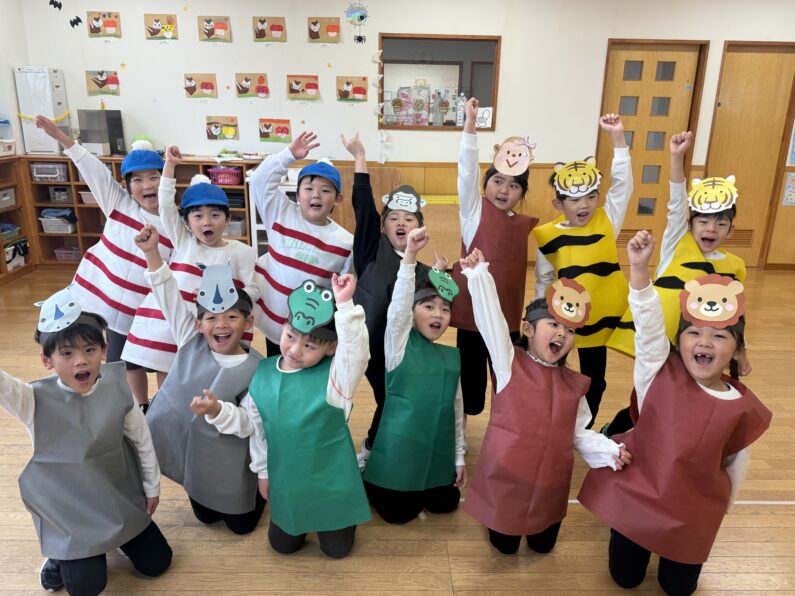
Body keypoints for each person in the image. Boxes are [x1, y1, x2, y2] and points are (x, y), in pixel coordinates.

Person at [578, 230, 771, 595]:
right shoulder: (656, 370)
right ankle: (623, 532)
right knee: (625, 578)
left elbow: (735, 464)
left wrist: (721, 509)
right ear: (678, 341)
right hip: (640, 498)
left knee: (678, 589)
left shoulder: (740, 405)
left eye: (719, 336)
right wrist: (639, 271)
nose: (704, 341)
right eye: (693, 333)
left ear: (736, 349)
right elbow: (648, 325)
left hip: (691, 511)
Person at [459, 247, 630, 554]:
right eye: (554, 325)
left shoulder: (574, 384)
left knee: (543, 546)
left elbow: (578, 433)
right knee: (505, 547)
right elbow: (492, 323)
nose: (562, 334)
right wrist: (479, 276)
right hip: (506, 480)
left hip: (549, 485)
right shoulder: (509, 363)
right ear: (527, 329)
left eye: (569, 330)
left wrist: (608, 451)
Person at [0, 289, 172, 595]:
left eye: (90, 349)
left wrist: (151, 486)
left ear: (104, 350)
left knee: (158, 562)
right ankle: (57, 553)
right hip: (70, 512)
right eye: (66, 353)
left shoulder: (118, 387)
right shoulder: (33, 401)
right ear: (47, 359)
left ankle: (108, 539)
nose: (81, 361)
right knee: (86, 586)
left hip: (116, 497)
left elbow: (141, 439)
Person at [192, 273, 371, 558]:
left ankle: (342, 522)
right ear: (283, 329)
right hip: (289, 481)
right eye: (290, 337)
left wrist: (346, 306)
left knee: (336, 551)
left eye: (309, 346)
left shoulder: (338, 380)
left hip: (331, 482)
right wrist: (218, 412)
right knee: (282, 545)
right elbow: (251, 426)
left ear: (330, 348)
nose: (295, 350)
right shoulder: (263, 373)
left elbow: (357, 353)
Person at [604, 131, 749, 435]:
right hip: (660, 338)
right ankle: (613, 432)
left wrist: (741, 351)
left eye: (721, 223)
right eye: (704, 221)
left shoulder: (734, 266)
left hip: (697, 343)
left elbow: (735, 315)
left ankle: (669, 438)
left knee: (685, 394)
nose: (711, 229)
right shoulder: (676, 242)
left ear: (731, 230)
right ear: (690, 224)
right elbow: (676, 204)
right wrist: (676, 157)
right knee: (648, 394)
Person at [34, 116, 173, 409]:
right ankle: (138, 406)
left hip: (146, 311)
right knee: (120, 365)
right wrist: (59, 135)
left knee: (159, 360)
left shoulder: (176, 225)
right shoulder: (118, 203)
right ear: (127, 186)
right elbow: (91, 167)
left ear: (166, 181)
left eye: (154, 177)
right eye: (137, 179)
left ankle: (162, 409)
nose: (147, 185)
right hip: (108, 309)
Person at [134, 224, 265, 534]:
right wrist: (151, 253)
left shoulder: (258, 370)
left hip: (229, 462)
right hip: (193, 458)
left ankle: (256, 495)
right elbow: (167, 295)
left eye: (231, 316)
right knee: (205, 517)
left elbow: (251, 425)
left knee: (242, 526)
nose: (221, 325)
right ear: (199, 323)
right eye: (211, 317)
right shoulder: (189, 339)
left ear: (248, 321)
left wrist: (218, 412)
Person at [340, 132, 443, 466]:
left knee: (390, 399)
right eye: (393, 219)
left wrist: (442, 274)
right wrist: (360, 158)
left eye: (409, 219)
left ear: (420, 229)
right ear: (383, 227)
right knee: (337, 399)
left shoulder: (422, 271)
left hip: (392, 353)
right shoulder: (371, 250)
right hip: (359, 344)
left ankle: (372, 449)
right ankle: (330, 450)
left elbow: (436, 306)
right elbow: (363, 207)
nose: (401, 223)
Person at [121, 146, 258, 392]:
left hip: (216, 324)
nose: (206, 222)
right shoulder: (184, 242)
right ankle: (163, 404)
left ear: (228, 219)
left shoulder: (243, 252)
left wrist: (232, 298)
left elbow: (254, 289)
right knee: (168, 368)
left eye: (215, 215)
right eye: (198, 216)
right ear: (186, 222)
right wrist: (170, 165)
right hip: (177, 320)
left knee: (208, 373)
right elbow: (165, 205)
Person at [533, 113, 632, 427]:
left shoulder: (607, 221)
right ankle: (550, 426)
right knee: (552, 373)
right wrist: (538, 322)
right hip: (563, 318)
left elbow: (623, 188)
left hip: (601, 320)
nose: (584, 205)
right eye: (574, 199)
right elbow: (543, 281)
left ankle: (583, 430)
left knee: (595, 380)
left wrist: (618, 139)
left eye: (591, 197)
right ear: (558, 204)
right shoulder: (547, 235)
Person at [363, 227, 466, 524]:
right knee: (398, 514)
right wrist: (410, 256)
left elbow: (457, 412)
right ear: (412, 312)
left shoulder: (450, 358)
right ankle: (367, 472)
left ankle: (421, 485)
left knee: (446, 503)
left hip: (433, 453)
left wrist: (459, 457)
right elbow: (399, 307)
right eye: (428, 306)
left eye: (444, 309)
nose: (437, 314)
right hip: (398, 453)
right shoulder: (399, 343)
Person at [449, 97, 539, 421]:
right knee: (472, 398)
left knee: (509, 386)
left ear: (522, 193)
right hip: (473, 319)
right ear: (485, 183)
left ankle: (505, 435)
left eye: (514, 185)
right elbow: (465, 170)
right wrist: (470, 126)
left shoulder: (522, 223)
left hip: (507, 320)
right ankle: (459, 434)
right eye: (497, 181)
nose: (504, 190)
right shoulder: (473, 211)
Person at [248, 131, 353, 356]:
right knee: (275, 367)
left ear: (338, 199)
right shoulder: (280, 212)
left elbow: (340, 291)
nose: (316, 195)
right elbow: (258, 180)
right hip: (271, 323)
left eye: (325, 190)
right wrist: (288, 155)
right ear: (296, 195)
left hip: (309, 334)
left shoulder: (345, 243)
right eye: (309, 189)